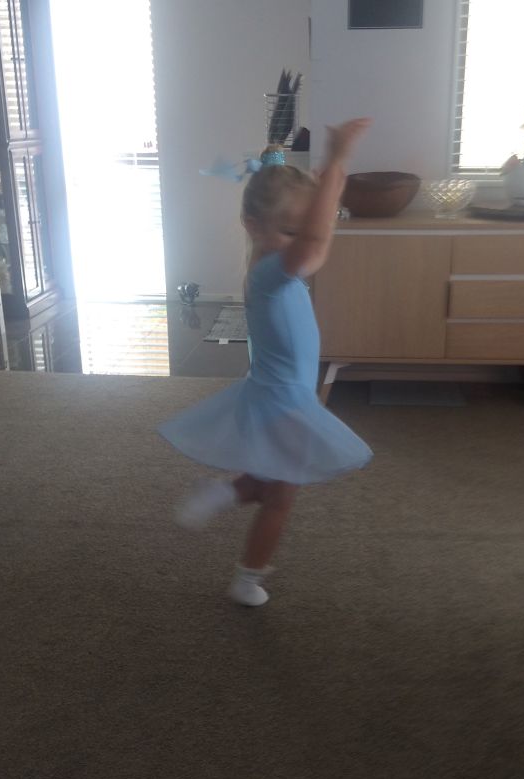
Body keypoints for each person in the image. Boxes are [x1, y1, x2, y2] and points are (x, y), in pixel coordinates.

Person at [159, 119, 374, 607]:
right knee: (281, 497)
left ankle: (220, 496)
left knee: (268, 481)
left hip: (275, 395)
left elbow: (318, 235)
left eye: (302, 227)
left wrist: (332, 183)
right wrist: (338, 161)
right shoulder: (274, 273)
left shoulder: (269, 268)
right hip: (284, 401)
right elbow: (316, 242)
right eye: (289, 230)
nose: (301, 240)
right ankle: (246, 578)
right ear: (254, 226)